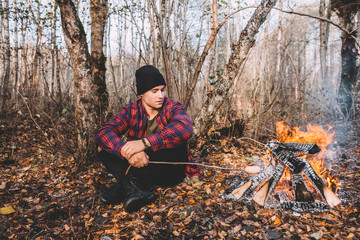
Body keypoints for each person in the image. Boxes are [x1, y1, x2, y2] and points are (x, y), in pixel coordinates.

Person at [96, 65, 201, 213]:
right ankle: (133, 187)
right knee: (103, 146)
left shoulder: (172, 106)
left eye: (162, 90)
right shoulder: (131, 109)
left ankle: (125, 186)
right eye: (154, 91)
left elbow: (185, 128)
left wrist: (144, 143)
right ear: (141, 94)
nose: (160, 95)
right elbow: (104, 132)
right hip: (143, 166)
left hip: (171, 169)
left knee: (173, 143)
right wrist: (126, 151)